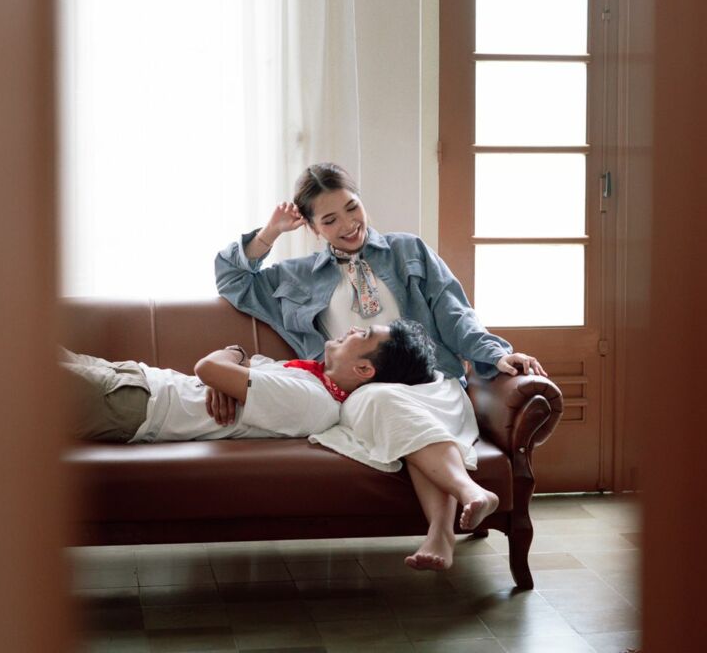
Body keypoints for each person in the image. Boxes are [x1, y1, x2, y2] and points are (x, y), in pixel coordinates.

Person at [215, 162, 548, 571]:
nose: (348, 224)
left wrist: (495, 354)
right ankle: (467, 493)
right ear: (313, 228)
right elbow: (232, 279)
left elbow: (454, 313)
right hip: (362, 393)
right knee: (387, 403)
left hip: (429, 382)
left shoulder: (410, 250)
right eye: (330, 220)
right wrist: (270, 232)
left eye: (352, 208)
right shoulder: (298, 277)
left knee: (406, 415)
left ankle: (443, 530)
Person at [62, 318, 435, 444]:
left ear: (365, 370)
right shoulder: (307, 374)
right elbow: (225, 368)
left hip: (134, 403)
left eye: (364, 334)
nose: (352, 329)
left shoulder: (312, 399)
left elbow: (208, 367)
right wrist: (233, 361)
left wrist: (226, 364)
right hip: (135, 378)